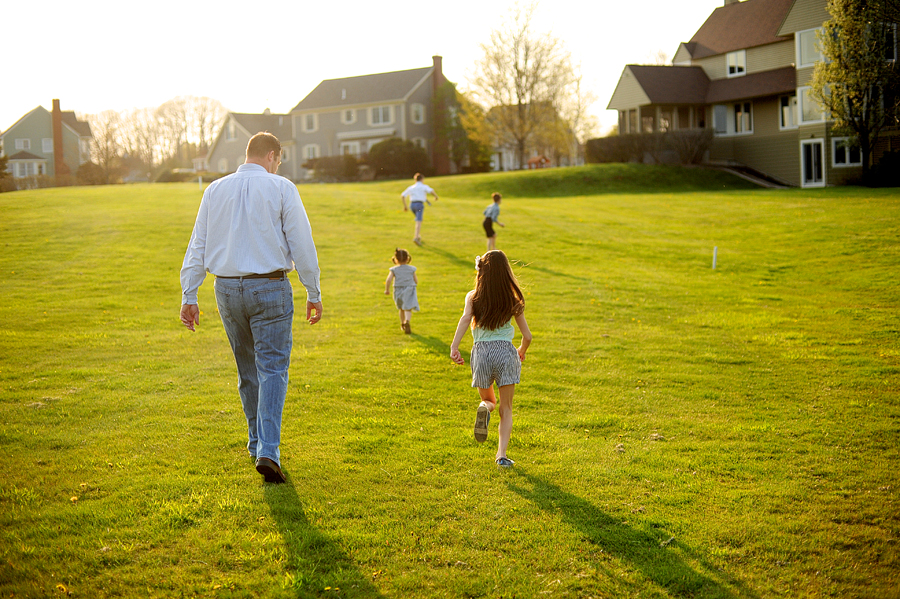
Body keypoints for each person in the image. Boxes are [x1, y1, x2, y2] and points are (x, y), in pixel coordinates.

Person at [179, 131, 322, 484]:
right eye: (279, 161)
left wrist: (189, 294)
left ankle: (257, 442)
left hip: (225, 289)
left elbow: (198, 243)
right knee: (272, 368)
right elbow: (301, 243)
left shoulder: (214, 189)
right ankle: (268, 451)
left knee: (248, 370)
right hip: (270, 286)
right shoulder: (282, 188)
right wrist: (313, 289)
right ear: (273, 155)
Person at [449, 250, 532, 467]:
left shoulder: (473, 296)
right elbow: (527, 336)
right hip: (506, 352)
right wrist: (521, 350)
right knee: (506, 409)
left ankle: (485, 408)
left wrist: (454, 346)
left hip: (482, 353)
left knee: (490, 400)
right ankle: (501, 456)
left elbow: (466, 318)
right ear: (507, 272)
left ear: (482, 271)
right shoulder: (513, 299)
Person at [384, 248, 419, 334]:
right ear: (408, 258)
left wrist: (387, 290)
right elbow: (416, 280)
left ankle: (402, 323)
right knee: (408, 307)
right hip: (409, 288)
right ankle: (407, 321)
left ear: (396, 259)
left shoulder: (394, 269)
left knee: (401, 308)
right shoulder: (412, 269)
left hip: (398, 290)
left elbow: (388, 280)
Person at [400, 173, 439, 246]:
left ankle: (418, 235)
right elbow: (431, 191)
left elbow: (403, 196)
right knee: (418, 221)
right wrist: (436, 197)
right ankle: (416, 237)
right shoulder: (423, 186)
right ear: (422, 179)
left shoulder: (411, 187)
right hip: (419, 205)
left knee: (418, 220)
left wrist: (405, 206)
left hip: (412, 205)